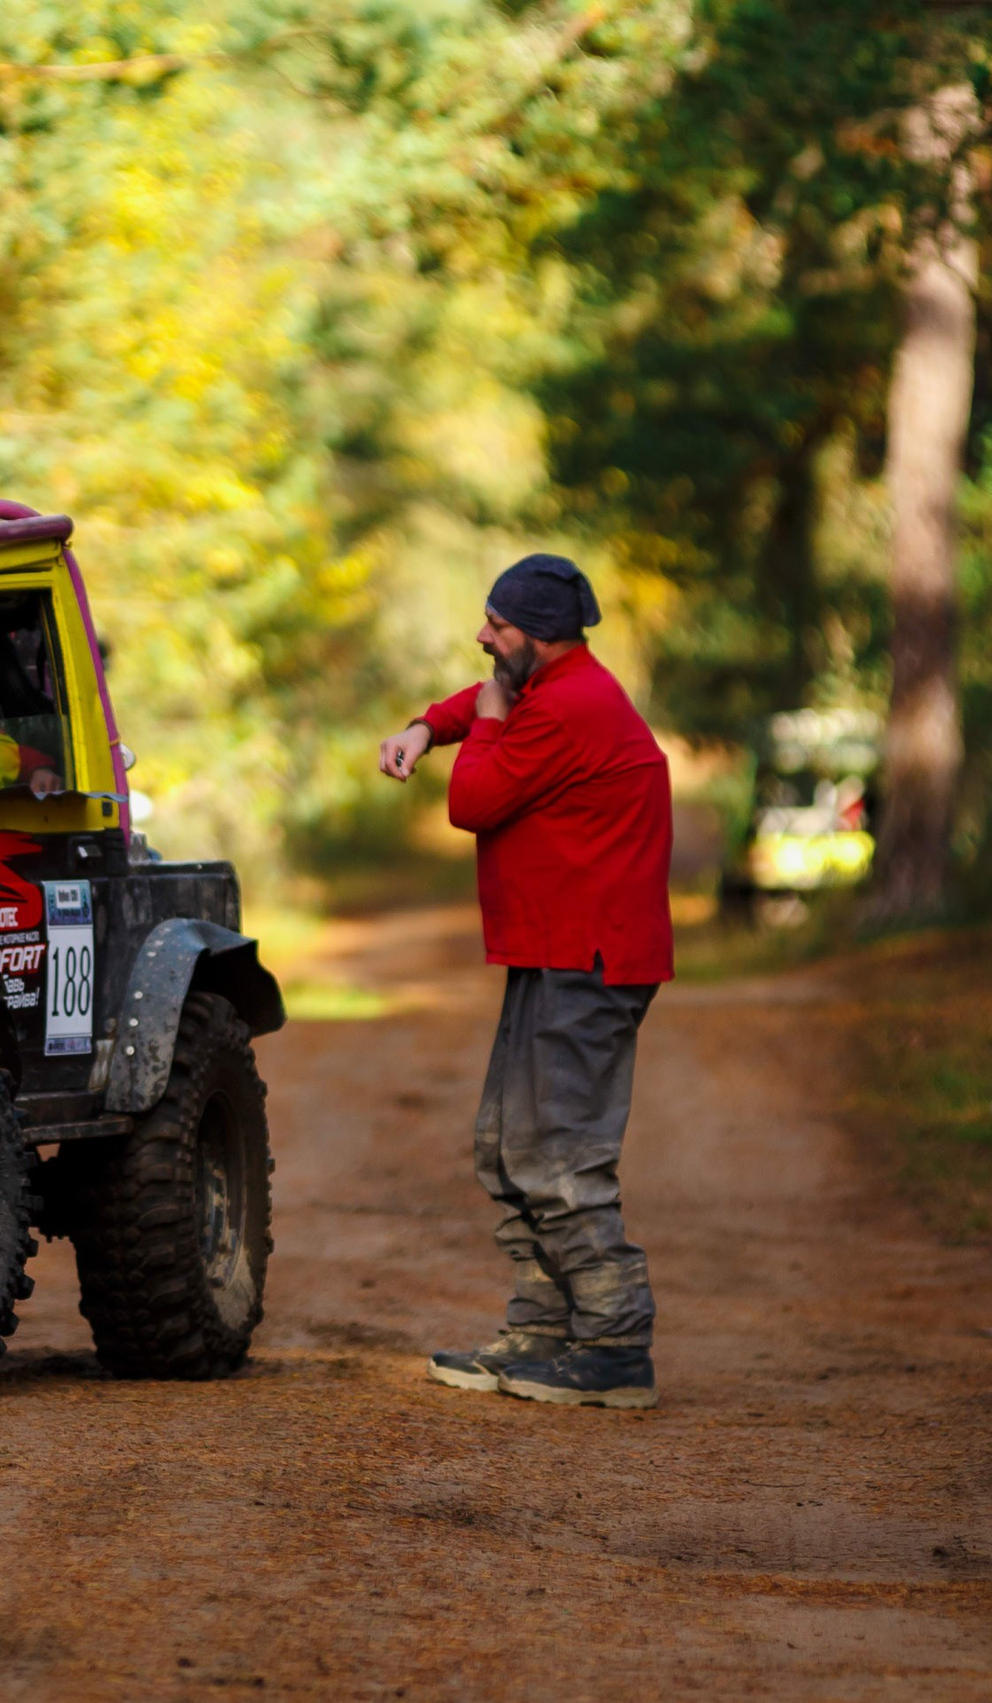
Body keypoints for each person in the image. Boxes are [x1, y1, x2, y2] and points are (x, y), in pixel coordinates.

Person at [378, 553, 673, 1410]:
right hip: (553, 950)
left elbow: (473, 802)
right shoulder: (549, 688)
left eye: (497, 627)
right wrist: (427, 726)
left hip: (589, 959)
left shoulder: (567, 708)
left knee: (559, 1153)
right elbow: (483, 699)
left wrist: (485, 722)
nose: (481, 635)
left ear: (537, 639)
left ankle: (614, 1342)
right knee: (507, 1144)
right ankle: (543, 1327)